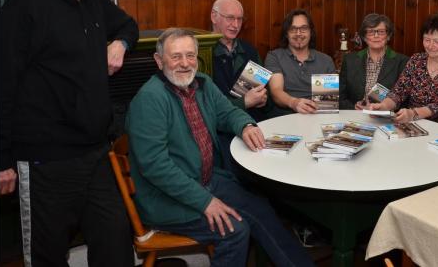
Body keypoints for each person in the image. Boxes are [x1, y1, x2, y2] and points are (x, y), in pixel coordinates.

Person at [0, 0, 138, 266]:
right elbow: (0, 84)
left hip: (96, 154)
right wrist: (0, 160)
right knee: (47, 255)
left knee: (116, 242)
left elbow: (128, 26)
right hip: (45, 160)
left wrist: (119, 44)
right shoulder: (24, 5)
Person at [126, 28, 314, 267]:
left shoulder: (202, 83)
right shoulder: (149, 100)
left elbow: (228, 112)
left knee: (261, 208)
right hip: (167, 198)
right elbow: (156, 168)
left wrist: (245, 125)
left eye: (190, 55)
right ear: (159, 60)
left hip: (206, 179)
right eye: (176, 57)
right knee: (235, 230)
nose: (185, 63)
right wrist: (205, 201)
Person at [369, 12, 438, 123]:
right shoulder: (417, 60)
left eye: (437, 41)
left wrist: (414, 113)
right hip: (411, 123)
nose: (430, 46)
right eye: (427, 40)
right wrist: (384, 106)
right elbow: (398, 92)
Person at [210, 0, 270, 121]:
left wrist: (263, 98)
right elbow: (206, 106)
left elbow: (264, 89)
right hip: (221, 128)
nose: (236, 25)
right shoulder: (202, 53)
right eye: (230, 18)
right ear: (214, 17)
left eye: (240, 19)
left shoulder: (249, 50)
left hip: (254, 121)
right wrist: (244, 102)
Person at [265, 9, 336, 116]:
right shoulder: (274, 57)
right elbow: (276, 91)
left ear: (311, 32)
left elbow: (327, 104)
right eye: (293, 29)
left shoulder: (326, 61)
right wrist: (294, 103)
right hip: (284, 118)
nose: (298, 33)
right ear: (286, 33)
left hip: (316, 116)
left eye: (303, 28)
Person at [339, 14, 409, 110]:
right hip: (354, 117)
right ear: (364, 37)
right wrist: (353, 107)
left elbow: (405, 99)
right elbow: (340, 97)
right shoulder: (350, 60)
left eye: (381, 32)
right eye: (371, 32)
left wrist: (383, 108)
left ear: (388, 36)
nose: (376, 35)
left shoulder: (402, 62)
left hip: (386, 120)